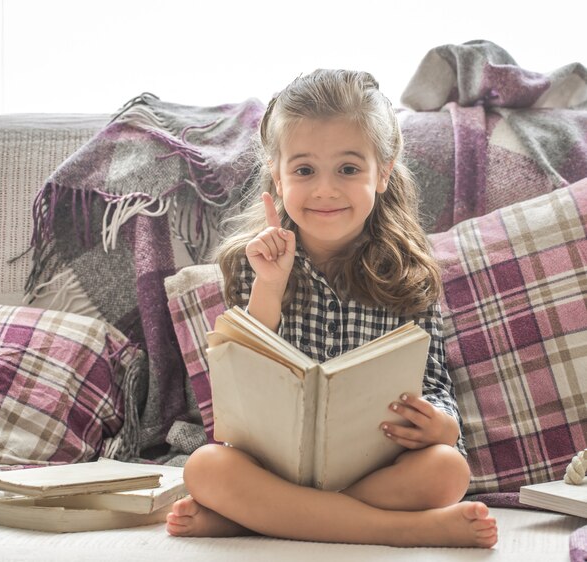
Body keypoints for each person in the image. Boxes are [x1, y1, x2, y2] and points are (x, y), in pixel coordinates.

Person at [166, 69, 498, 548]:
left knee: (447, 469)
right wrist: (271, 286)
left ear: (382, 172)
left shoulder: (410, 269)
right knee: (205, 467)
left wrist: (441, 424)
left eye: (347, 169)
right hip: (274, 464)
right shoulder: (251, 262)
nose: (325, 190)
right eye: (304, 171)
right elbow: (243, 378)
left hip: (373, 464)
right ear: (277, 178)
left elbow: (431, 380)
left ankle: (261, 519)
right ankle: (404, 531)